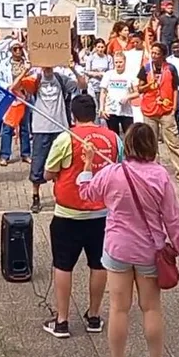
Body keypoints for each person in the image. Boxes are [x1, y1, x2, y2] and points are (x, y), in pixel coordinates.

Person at [76, 123, 179, 357]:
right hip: (150, 250)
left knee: (118, 308)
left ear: (127, 144)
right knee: (151, 308)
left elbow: (86, 194)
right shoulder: (160, 175)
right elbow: (172, 219)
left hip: (117, 248)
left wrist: (87, 163)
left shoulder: (111, 172)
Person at [40, 95, 120, 339]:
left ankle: (62, 320)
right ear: (95, 113)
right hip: (102, 213)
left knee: (63, 265)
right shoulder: (113, 137)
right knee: (99, 264)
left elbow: (47, 173)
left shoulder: (66, 138)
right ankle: (94, 316)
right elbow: (119, 166)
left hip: (68, 213)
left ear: (72, 116)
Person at [19, 64, 86, 213]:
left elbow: (82, 85)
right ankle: (36, 197)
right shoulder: (35, 80)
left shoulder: (61, 79)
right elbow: (14, 87)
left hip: (60, 127)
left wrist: (72, 68)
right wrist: (26, 69)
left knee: (62, 165)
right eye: (45, 66)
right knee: (38, 163)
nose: (47, 68)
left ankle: (59, 196)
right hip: (41, 128)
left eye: (50, 65)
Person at [138, 43, 179, 182]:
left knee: (172, 141)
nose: (154, 56)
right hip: (150, 110)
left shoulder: (171, 68)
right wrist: (149, 85)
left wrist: (174, 108)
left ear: (163, 55)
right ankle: (154, 170)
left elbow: (175, 88)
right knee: (151, 142)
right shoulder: (146, 68)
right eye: (152, 53)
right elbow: (139, 89)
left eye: (157, 53)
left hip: (166, 110)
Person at [0, 44, 32, 166]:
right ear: (11, 51)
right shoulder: (5, 65)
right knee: (8, 128)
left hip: (24, 98)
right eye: (15, 49)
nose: (18, 51)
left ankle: (26, 154)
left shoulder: (27, 64)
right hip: (11, 98)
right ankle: (4, 155)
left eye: (20, 48)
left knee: (24, 127)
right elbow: (2, 79)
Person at [99, 52, 139, 136]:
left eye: (120, 62)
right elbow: (103, 92)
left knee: (129, 135)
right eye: (116, 62)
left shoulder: (130, 75)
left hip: (126, 111)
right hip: (111, 110)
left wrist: (128, 97)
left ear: (124, 62)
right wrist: (101, 108)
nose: (118, 65)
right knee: (113, 135)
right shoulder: (108, 74)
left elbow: (137, 92)